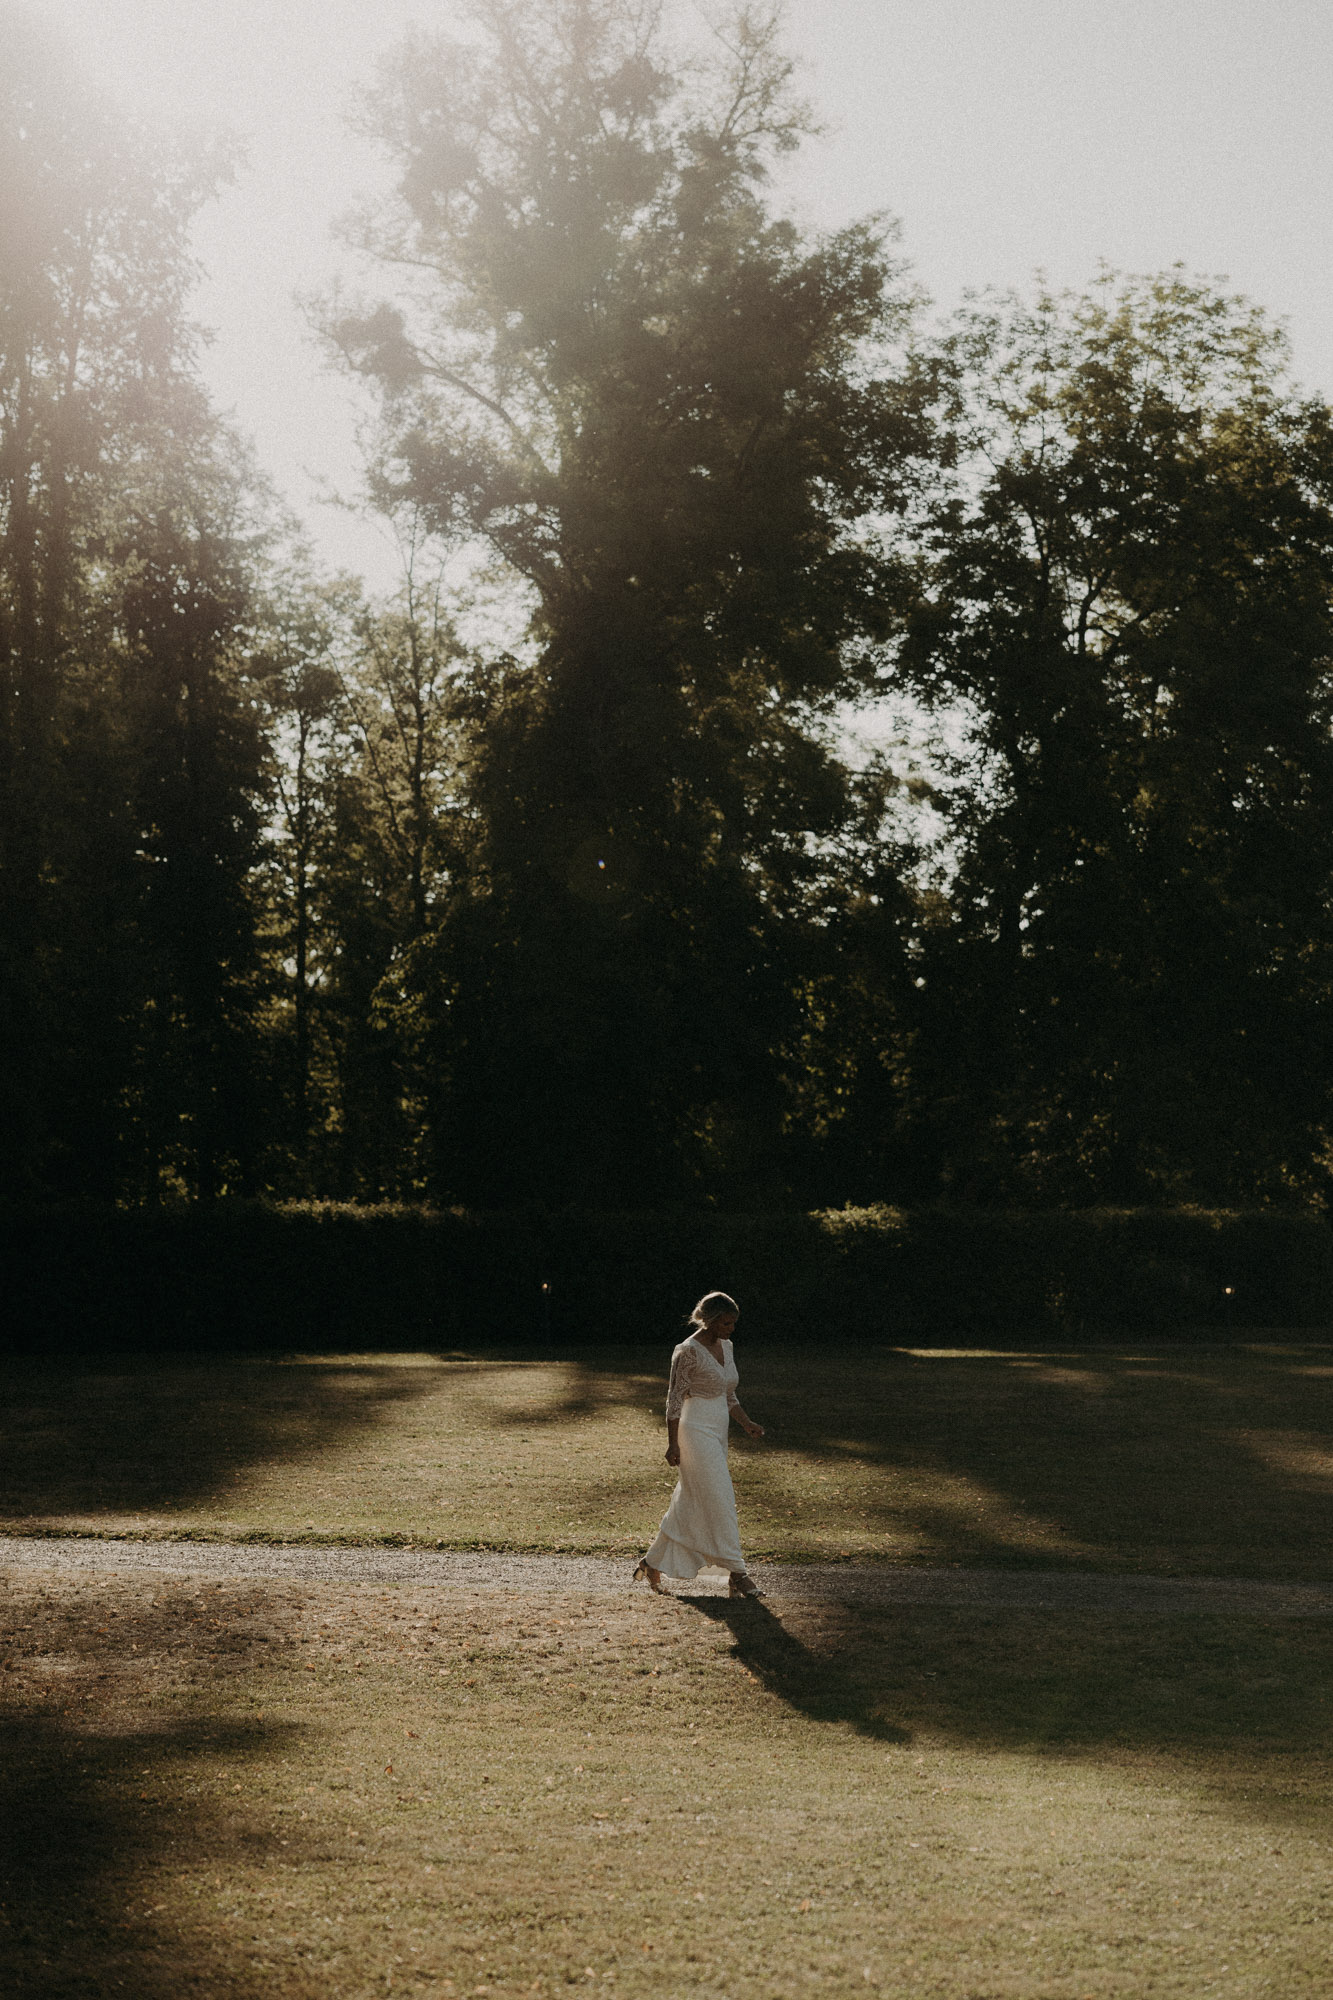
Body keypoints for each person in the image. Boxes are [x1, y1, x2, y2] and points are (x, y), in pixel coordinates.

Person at [634, 1291, 766, 1598]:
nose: (731, 1329)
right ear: (709, 1320)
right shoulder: (687, 1351)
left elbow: (728, 1395)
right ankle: (738, 1573)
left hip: (718, 1431)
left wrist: (746, 1423)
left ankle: (651, 1562)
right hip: (693, 1432)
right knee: (721, 1497)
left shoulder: (727, 1347)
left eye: (733, 1323)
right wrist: (672, 1444)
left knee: (691, 1501)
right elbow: (674, 1400)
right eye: (726, 1323)